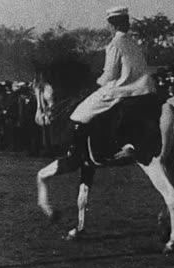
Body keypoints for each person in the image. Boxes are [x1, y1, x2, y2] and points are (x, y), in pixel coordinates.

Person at [67, 6, 156, 159]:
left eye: (109, 25)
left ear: (113, 25)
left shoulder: (114, 44)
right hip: (146, 89)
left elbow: (110, 75)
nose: (108, 27)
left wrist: (96, 82)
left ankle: (77, 152)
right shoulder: (134, 43)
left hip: (122, 90)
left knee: (79, 113)